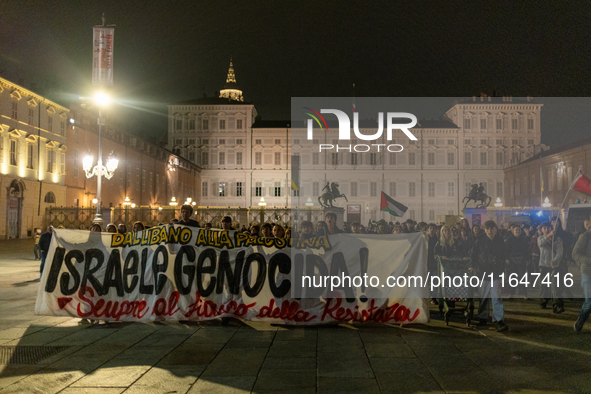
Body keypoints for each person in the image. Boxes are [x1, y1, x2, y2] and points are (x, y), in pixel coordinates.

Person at [470, 220, 509, 332]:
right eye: (488, 229)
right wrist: (472, 266)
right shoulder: (480, 240)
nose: (490, 231)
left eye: (492, 228)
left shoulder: (500, 241)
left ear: (495, 229)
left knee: (496, 297)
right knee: (483, 297)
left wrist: (503, 272)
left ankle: (499, 320)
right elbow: (473, 253)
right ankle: (482, 317)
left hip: (496, 273)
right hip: (482, 272)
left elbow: (503, 256)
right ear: (485, 229)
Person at [537, 222, 564, 313]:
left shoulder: (557, 240)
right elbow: (541, 244)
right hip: (543, 265)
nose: (546, 229)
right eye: (544, 228)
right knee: (544, 285)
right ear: (541, 230)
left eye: (548, 228)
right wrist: (548, 235)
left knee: (555, 286)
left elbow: (560, 252)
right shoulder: (540, 238)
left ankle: (557, 305)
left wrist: (555, 260)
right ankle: (543, 301)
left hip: (554, 266)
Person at [573, 214, 591, 332]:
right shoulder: (585, 236)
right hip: (588, 272)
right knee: (589, 301)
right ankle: (581, 319)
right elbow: (575, 254)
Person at [505, 225, 530, 298]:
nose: (517, 231)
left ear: (521, 231)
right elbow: (506, 249)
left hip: (522, 260)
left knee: (522, 277)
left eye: (519, 230)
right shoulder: (509, 239)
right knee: (512, 277)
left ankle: (523, 293)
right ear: (513, 231)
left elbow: (527, 250)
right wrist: (507, 258)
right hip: (512, 260)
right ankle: (511, 293)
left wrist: (527, 259)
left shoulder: (524, 239)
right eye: (516, 230)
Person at [426, 223, 439, 304]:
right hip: (426, 264)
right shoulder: (424, 239)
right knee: (425, 282)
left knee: (435, 282)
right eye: (430, 228)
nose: (432, 230)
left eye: (433, 228)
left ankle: (433, 298)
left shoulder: (438, 240)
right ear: (428, 230)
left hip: (434, 265)